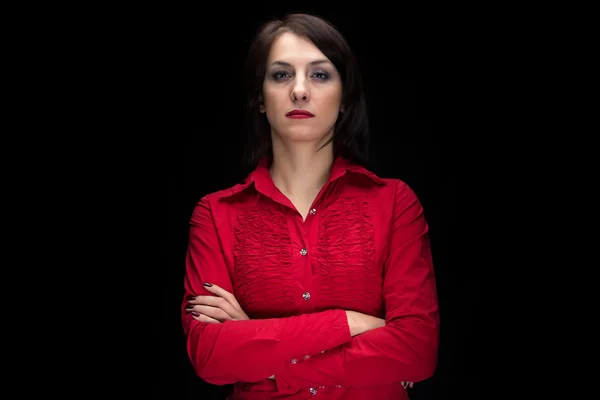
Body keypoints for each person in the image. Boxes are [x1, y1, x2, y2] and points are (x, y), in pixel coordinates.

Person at [181, 12, 439, 399]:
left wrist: (255, 344)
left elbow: (416, 351)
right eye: (281, 75)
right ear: (260, 99)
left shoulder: (395, 202)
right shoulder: (216, 214)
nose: (300, 91)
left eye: (320, 75)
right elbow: (210, 356)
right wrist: (355, 323)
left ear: (345, 99)